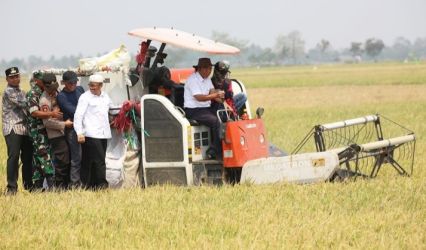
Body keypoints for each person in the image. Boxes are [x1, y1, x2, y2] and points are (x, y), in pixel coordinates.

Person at [74, 74, 113, 190]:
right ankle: (102, 186)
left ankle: (89, 186)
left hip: (103, 134)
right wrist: (79, 132)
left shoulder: (105, 96)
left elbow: (113, 109)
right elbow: (78, 116)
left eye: (94, 86)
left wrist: (127, 107)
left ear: (101, 86)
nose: (91, 88)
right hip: (91, 134)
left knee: (91, 161)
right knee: (99, 161)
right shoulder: (85, 97)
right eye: (90, 85)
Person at [27, 71, 62, 190]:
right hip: (36, 130)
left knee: (38, 159)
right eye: (43, 81)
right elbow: (34, 112)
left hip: (45, 129)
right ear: (37, 81)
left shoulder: (46, 91)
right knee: (44, 156)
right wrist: (52, 113)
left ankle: (37, 187)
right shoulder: (32, 93)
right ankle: (52, 186)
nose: (45, 83)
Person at [184, 58, 224, 159]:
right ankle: (214, 151)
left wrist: (222, 97)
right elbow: (199, 97)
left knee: (224, 115)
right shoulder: (193, 80)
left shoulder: (207, 79)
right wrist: (216, 95)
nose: (209, 71)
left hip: (205, 109)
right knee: (216, 121)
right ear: (200, 69)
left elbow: (212, 91)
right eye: (207, 69)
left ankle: (222, 147)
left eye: (210, 69)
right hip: (194, 110)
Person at [1, 67, 33, 195]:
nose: (15, 79)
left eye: (17, 76)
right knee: (13, 157)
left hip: (24, 129)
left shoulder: (22, 91)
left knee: (27, 158)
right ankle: (11, 188)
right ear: (7, 79)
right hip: (13, 127)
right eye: (12, 77)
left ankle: (28, 186)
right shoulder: (9, 92)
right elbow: (25, 104)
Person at [40, 73, 73, 189]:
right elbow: (47, 122)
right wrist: (64, 124)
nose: (54, 91)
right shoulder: (44, 100)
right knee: (62, 161)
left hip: (64, 131)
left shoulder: (58, 93)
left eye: (55, 88)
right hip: (55, 134)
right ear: (45, 87)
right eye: (51, 89)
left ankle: (67, 185)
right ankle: (60, 187)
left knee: (68, 159)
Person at [57, 71, 84, 188]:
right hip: (72, 129)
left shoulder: (80, 89)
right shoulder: (61, 96)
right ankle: (74, 183)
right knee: (76, 157)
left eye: (75, 81)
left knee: (85, 155)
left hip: (85, 127)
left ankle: (84, 181)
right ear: (64, 83)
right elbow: (74, 111)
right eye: (70, 82)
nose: (73, 84)